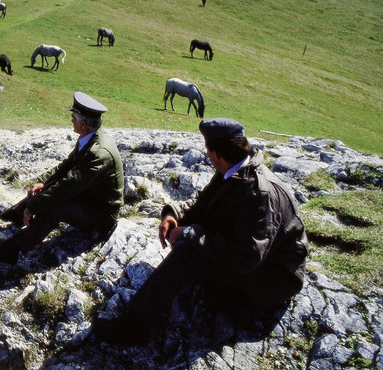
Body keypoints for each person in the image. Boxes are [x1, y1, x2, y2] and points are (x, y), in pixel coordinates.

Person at [94, 117, 308, 344]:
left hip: (273, 278)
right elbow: (202, 204)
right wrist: (173, 215)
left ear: (216, 154)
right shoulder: (234, 169)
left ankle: (134, 326)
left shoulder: (259, 194)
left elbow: (248, 256)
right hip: (258, 262)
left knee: (187, 253)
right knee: (194, 241)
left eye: (207, 150)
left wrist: (191, 233)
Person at [0, 91, 124, 265]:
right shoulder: (90, 137)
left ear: (83, 124)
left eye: (73, 117)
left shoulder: (98, 153)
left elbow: (68, 186)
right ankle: (18, 215)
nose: (71, 120)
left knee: (54, 207)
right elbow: (67, 165)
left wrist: (34, 206)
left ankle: (11, 251)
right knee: (48, 187)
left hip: (100, 213)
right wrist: (42, 181)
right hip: (88, 196)